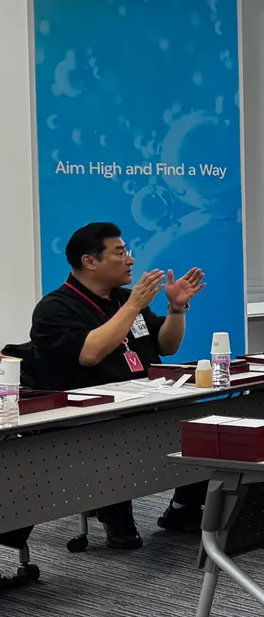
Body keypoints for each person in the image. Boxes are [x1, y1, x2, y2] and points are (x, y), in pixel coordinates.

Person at [22, 221, 207, 545]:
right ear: (89, 261)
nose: (130, 260)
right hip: (89, 413)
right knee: (114, 430)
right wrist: (133, 305)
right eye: (120, 253)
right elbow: (89, 354)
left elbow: (166, 346)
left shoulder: (124, 298)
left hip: (145, 399)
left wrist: (176, 308)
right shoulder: (54, 308)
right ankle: (115, 513)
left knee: (200, 421)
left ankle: (183, 507)